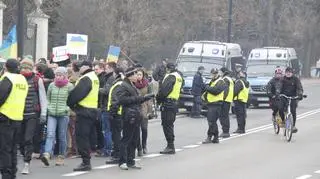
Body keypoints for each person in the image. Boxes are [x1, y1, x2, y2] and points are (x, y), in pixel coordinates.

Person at [117, 67, 154, 170]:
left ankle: (131, 161)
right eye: (134, 74)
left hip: (136, 115)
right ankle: (122, 161)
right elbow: (121, 100)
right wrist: (140, 98)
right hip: (129, 115)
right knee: (126, 138)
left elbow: (136, 100)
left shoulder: (133, 86)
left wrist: (145, 98)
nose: (136, 76)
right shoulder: (123, 86)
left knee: (134, 139)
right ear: (130, 76)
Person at [67, 60, 99, 171]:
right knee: (87, 136)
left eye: (81, 66)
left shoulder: (86, 78)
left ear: (86, 67)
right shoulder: (94, 77)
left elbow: (77, 94)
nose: (79, 69)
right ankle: (86, 161)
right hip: (92, 110)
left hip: (84, 110)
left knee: (81, 137)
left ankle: (86, 162)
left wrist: (71, 104)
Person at [0, 59, 28, 179]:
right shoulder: (22, 79)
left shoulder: (7, 79)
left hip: (5, 117)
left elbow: (1, 96)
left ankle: (6, 174)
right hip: (17, 117)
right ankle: (12, 173)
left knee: (4, 149)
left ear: (5, 67)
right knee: (12, 148)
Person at [19, 59, 48, 175]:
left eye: (27, 68)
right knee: (20, 141)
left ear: (31, 69)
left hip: (32, 114)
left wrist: (43, 113)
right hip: (18, 114)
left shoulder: (37, 80)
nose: (25, 70)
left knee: (28, 139)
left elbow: (43, 98)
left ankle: (26, 164)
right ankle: (38, 155)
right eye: (23, 67)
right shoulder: (17, 79)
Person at [41, 67, 74, 166]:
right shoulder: (51, 85)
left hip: (63, 114)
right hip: (52, 114)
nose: (58, 77)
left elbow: (72, 100)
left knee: (62, 136)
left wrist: (67, 109)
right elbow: (48, 98)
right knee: (50, 134)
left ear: (64, 75)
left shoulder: (70, 86)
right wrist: (49, 108)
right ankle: (47, 154)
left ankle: (61, 156)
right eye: (57, 75)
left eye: (60, 75)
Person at [156, 63, 183, 154]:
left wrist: (158, 99)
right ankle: (171, 145)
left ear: (167, 69)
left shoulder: (170, 77)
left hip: (168, 103)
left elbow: (164, 91)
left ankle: (170, 146)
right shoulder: (179, 76)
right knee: (170, 124)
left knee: (167, 125)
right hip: (174, 103)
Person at [96, 62, 116, 157]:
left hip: (106, 107)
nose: (105, 70)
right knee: (109, 129)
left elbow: (107, 91)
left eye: (107, 68)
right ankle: (109, 148)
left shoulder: (110, 78)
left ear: (111, 68)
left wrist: (97, 89)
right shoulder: (109, 77)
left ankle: (108, 149)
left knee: (106, 130)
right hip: (107, 106)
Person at [105, 68, 125, 164]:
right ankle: (118, 154)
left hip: (116, 113)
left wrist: (112, 113)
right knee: (117, 135)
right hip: (119, 113)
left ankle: (117, 155)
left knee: (116, 135)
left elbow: (115, 100)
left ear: (116, 74)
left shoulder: (117, 85)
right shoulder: (121, 83)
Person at [201, 68, 226, 144]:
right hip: (210, 103)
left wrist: (207, 87)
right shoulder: (212, 81)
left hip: (216, 104)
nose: (214, 75)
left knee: (211, 122)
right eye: (212, 73)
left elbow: (216, 91)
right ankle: (216, 137)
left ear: (217, 74)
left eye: (215, 73)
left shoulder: (221, 81)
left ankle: (209, 137)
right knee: (212, 122)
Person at [134, 68, 153, 156]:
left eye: (140, 74)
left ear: (143, 75)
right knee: (136, 130)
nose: (138, 76)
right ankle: (139, 147)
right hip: (135, 108)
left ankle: (144, 145)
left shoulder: (147, 84)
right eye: (137, 74)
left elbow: (150, 98)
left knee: (144, 129)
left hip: (144, 108)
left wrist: (150, 110)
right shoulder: (133, 84)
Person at [279, 67, 303, 133]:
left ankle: (293, 126)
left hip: (293, 97)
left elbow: (299, 87)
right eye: (287, 72)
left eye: (289, 72)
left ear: (292, 73)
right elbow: (279, 86)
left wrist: (300, 94)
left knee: (293, 111)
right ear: (285, 73)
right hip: (283, 96)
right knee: (280, 108)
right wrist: (278, 93)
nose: (288, 73)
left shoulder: (296, 79)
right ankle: (283, 121)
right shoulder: (282, 79)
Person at [219, 67, 234, 138]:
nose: (219, 73)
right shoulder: (229, 79)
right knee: (225, 116)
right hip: (228, 99)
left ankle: (225, 132)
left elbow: (225, 90)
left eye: (220, 72)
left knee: (223, 116)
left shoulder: (225, 79)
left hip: (225, 100)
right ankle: (225, 131)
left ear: (223, 72)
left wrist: (222, 98)